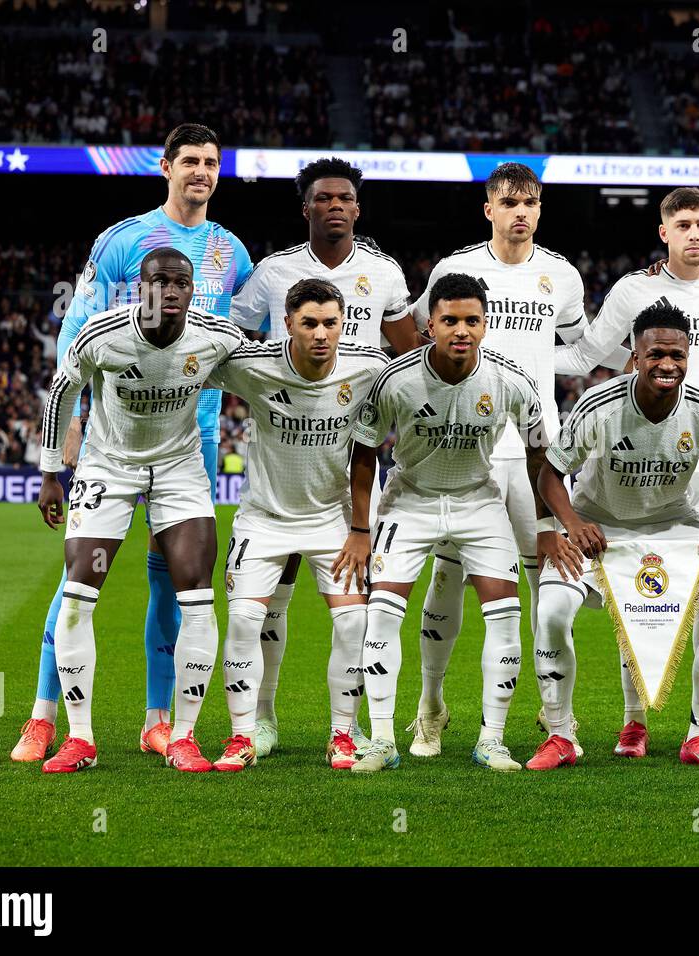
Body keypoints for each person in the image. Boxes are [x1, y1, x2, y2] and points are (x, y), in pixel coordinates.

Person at [12, 123, 253, 763]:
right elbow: (75, 339)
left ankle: (159, 719)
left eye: (211, 162)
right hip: (114, 440)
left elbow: (248, 349)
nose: (201, 172)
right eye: (190, 161)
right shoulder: (124, 240)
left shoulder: (232, 254)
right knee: (82, 577)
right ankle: (44, 717)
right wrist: (64, 437)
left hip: (191, 440)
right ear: (166, 167)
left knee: (173, 586)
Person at [555, 186, 699, 759]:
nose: (694, 234)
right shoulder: (635, 290)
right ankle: (637, 722)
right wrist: (509, 348)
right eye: (682, 224)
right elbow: (585, 359)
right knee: (644, 601)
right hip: (637, 460)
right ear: (663, 232)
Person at [402, 163, 617, 760]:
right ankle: (431, 707)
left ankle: (557, 723)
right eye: (509, 202)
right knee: (448, 575)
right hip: (463, 445)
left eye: (531, 202)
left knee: (549, 576)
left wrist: (541, 369)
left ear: (540, 209)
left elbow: (582, 346)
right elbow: (423, 336)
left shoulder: (562, 276)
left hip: (537, 448)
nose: (521, 212)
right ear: (488, 208)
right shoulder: (455, 270)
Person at [227, 156, 417, 758]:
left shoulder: (384, 273)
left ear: (358, 208)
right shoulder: (274, 271)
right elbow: (228, 338)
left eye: (345, 198)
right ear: (305, 206)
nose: (334, 206)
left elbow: (410, 360)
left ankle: (346, 726)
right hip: (280, 457)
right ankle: (258, 721)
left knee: (348, 617)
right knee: (264, 608)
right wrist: (269, 388)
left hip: (344, 463)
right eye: (322, 198)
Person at [164, 278, 387, 772]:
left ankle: (344, 735)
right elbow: (189, 364)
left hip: (332, 521)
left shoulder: (368, 368)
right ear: (287, 324)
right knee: (244, 620)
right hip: (263, 521)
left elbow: (383, 430)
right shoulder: (255, 365)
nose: (321, 334)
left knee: (353, 622)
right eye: (309, 323)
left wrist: (361, 528)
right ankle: (243, 734)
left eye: (331, 322)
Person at [337, 273, 553, 773]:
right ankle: (383, 740)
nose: (461, 330)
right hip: (409, 501)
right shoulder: (396, 379)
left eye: (472, 320)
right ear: (429, 323)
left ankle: (492, 740)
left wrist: (545, 527)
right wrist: (360, 528)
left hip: (479, 502)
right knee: (383, 613)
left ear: (486, 323)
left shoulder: (510, 380)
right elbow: (365, 452)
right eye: (449, 320)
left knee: (504, 613)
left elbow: (541, 451)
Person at [528, 302, 699, 772]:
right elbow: (549, 474)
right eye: (655, 354)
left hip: (674, 530)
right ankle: (561, 735)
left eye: (677, 355)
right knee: (550, 612)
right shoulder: (598, 405)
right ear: (635, 355)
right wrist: (570, 523)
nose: (667, 365)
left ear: (688, 356)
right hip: (597, 528)